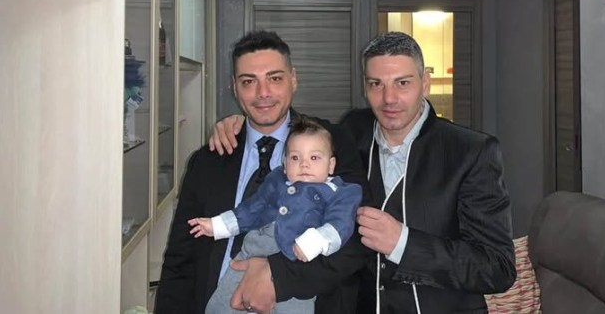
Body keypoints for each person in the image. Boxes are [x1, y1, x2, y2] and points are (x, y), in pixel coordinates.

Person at [209, 31, 517, 313]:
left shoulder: (471, 151)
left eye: (403, 83)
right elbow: (300, 131)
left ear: (425, 82)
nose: (389, 98)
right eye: (376, 84)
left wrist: (403, 243)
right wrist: (244, 124)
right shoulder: (352, 131)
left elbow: (498, 268)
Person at [155, 30, 369, 314]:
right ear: (234, 88)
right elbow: (180, 260)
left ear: (293, 79)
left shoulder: (331, 143)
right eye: (248, 82)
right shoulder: (208, 160)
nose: (263, 93)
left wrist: (276, 276)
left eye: (275, 78)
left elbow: (356, 237)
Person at [189, 114, 363, 314]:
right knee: (221, 304)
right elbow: (252, 209)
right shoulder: (276, 180)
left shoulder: (341, 192)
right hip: (255, 248)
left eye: (314, 157)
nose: (304, 164)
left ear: (331, 165)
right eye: (295, 158)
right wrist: (218, 225)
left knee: (297, 307)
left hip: (296, 261)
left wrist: (317, 240)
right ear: (285, 164)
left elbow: (341, 223)